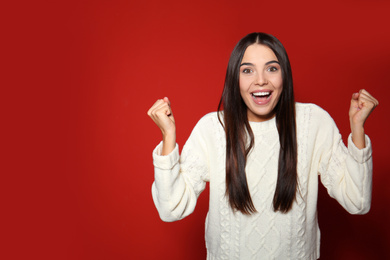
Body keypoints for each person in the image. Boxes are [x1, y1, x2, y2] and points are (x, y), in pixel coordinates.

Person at [147, 32, 378, 259]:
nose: (260, 80)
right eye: (247, 70)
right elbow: (171, 209)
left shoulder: (314, 123)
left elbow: (357, 202)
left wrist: (357, 128)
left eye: (271, 68)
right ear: (234, 79)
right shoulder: (213, 129)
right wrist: (168, 136)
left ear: (284, 75)